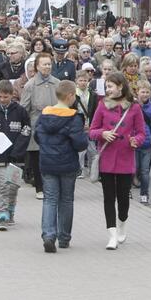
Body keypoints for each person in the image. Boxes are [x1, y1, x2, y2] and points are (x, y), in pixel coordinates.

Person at [89, 72, 145, 250]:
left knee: (123, 199)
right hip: (106, 157)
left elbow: (142, 132)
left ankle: (122, 223)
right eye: (106, 87)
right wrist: (102, 134)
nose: (108, 89)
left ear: (120, 86)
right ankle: (111, 234)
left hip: (125, 158)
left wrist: (136, 140)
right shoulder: (102, 105)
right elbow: (92, 130)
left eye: (110, 86)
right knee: (108, 197)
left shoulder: (134, 107)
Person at [35, 80, 89, 253]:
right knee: (66, 200)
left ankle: (49, 235)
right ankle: (64, 237)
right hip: (67, 164)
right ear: (70, 95)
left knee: (49, 199)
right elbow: (80, 144)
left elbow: (37, 136)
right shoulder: (73, 118)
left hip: (48, 162)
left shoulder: (44, 115)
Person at [0, 80, 31, 231]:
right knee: (3, 185)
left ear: (12, 95)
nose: (2, 100)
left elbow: (27, 130)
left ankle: (11, 211)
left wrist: (18, 149)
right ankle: (2, 215)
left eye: (5, 97)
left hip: (17, 157)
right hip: (0, 155)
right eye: (0, 96)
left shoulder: (20, 111)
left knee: (13, 186)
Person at [20, 53, 60, 199]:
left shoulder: (57, 82)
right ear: (37, 66)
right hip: (37, 124)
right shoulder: (30, 85)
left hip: (55, 125)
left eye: (49, 64)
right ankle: (39, 188)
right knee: (37, 158)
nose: (47, 67)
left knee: (53, 157)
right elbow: (23, 107)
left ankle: (53, 187)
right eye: (44, 64)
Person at [134, 80, 151, 205]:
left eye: (147, 92)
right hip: (133, 144)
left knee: (144, 171)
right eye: (142, 92)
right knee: (133, 169)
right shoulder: (132, 106)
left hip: (146, 144)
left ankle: (144, 194)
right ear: (137, 92)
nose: (144, 94)